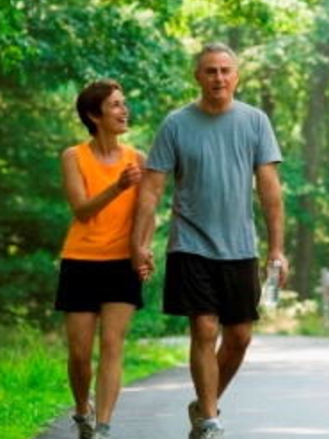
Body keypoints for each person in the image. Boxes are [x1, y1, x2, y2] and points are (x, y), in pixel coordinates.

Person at [132, 42, 287, 439]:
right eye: (210, 71)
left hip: (239, 247)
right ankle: (212, 423)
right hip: (191, 243)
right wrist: (140, 242)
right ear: (197, 77)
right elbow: (151, 189)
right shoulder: (176, 124)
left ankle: (204, 406)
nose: (218, 77)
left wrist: (277, 250)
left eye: (225, 70)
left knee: (240, 337)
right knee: (203, 328)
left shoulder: (255, 122)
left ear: (236, 76)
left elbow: (270, 191)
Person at [55, 79, 152, 439]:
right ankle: (83, 410)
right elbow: (81, 210)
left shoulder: (138, 160)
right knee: (80, 352)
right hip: (80, 260)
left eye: (123, 104)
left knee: (112, 345)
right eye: (115, 105)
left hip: (120, 264)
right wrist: (117, 187)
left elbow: (147, 210)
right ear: (94, 116)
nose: (124, 110)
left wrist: (141, 246)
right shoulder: (73, 157)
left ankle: (104, 427)